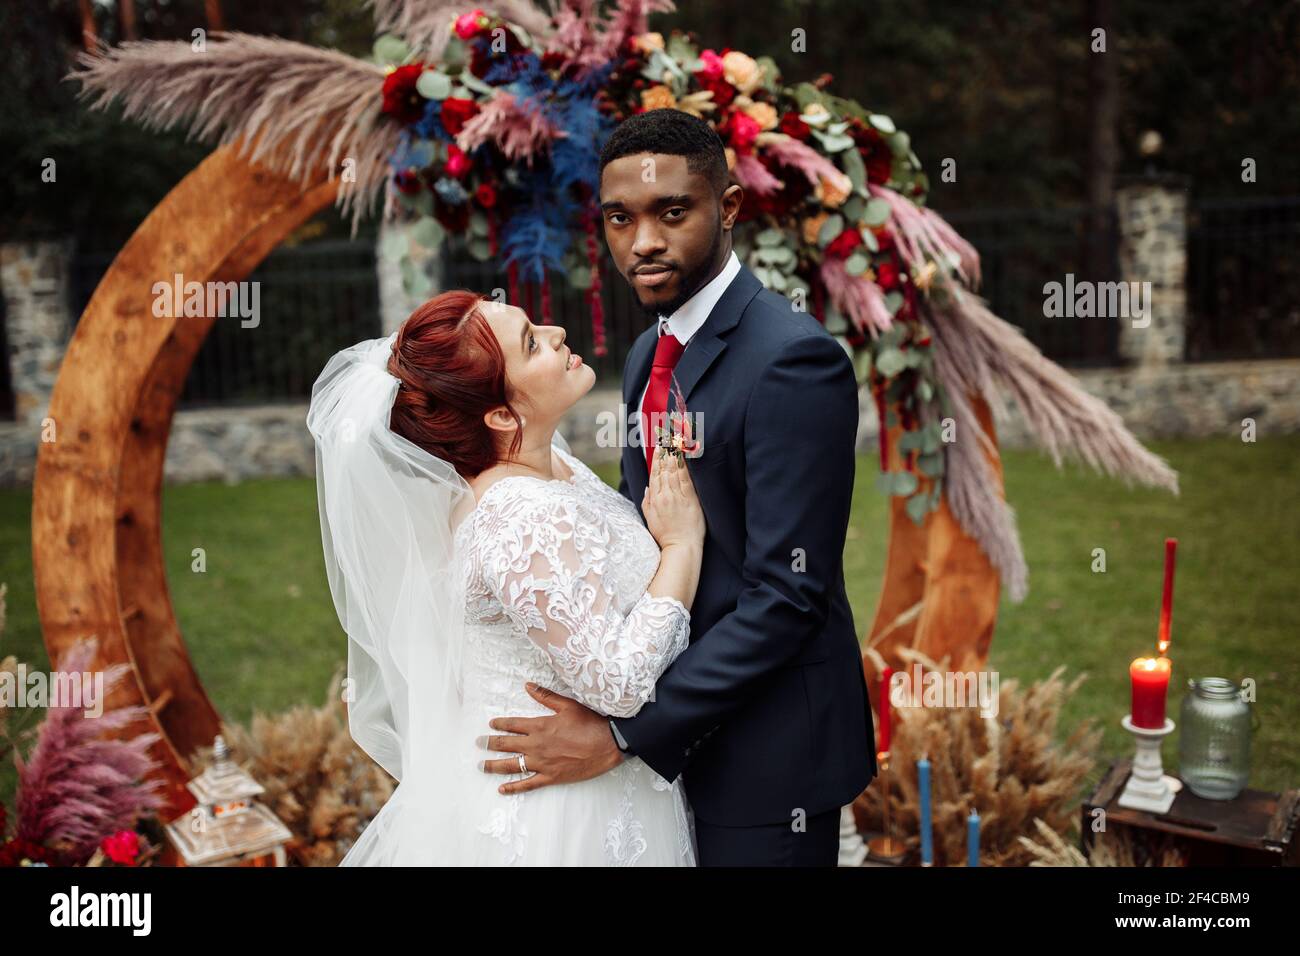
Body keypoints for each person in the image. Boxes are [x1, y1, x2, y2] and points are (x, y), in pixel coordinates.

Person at [477, 108, 876, 866]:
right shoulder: (643, 356)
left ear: (728, 208)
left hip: (766, 760)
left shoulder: (794, 362)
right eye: (620, 219)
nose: (644, 242)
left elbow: (789, 595)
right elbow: (646, 539)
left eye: (672, 213)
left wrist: (627, 733)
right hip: (663, 745)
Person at [310, 289, 703, 865]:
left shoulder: (553, 468)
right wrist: (682, 545)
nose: (556, 332)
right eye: (531, 343)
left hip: (591, 783)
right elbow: (619, 684)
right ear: (500, 414)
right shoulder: (520, 515)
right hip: (559, 815)